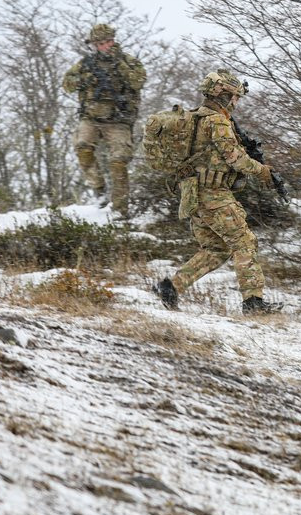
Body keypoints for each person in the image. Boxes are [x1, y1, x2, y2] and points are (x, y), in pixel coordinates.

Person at [153, 69, 282, 314]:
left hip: (192, 194)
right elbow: (236, 159)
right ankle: (253, 303)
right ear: (223, 95)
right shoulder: (218, 121)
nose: (236, 102)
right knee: (245, 243)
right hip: (214, 195)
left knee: (216, 248)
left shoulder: (193, 117)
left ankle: (171, 286)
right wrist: (262, 171)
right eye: (235, 96)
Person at [62, 24, 146, 217]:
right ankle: (98, 189)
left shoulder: (127, 61)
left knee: (118, 162)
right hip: (90, 117)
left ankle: (120, 210)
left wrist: (120, 66)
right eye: (97, 44)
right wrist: (85, 80)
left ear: (112, 41)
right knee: (82, 147)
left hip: (118, 120)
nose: (101, 47)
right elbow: (67, 85)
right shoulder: (86, 64)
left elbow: (138, 81)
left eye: (104, 42)